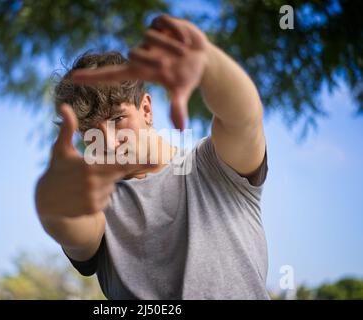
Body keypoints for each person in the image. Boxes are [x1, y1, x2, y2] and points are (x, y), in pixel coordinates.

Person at [35, 14, 269, 299]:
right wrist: (55, 210)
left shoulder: (212, 165)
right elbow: (81, 234)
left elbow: (243, 120)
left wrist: (209, 64)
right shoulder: (97, 199)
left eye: (118, 118)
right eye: (89, 130)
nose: (108, 141)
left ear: (146, 109)